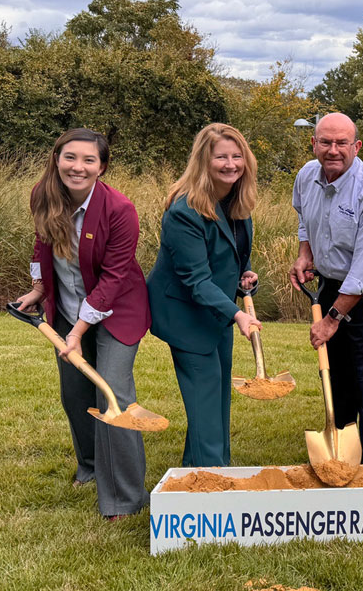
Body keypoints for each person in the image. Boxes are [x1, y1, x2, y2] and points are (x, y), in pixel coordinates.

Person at [14, 128, 149, 519]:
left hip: (117, 308)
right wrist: (39, 288)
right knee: (75, 393)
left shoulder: (119, 209)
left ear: (101, 167)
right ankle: (90, 466)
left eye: (89, 160)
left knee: (112, 393)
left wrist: (76, 331)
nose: (78, 167)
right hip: (67, 304)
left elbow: (114, 277)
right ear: (57, 158)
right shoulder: (43, 193)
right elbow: (43, 241)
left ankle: (125, 498)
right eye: (70, 157)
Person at [289, 113, 363, 465]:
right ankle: (340, 454)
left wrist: (332, 318)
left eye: (342, 143)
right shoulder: (307, 176)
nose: (333, 150)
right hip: (331, 283)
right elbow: (303, 217)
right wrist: (305, 252)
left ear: (356, 147)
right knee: (337, 377)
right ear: (314, 144)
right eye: (325, 142)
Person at [147, 123, 261, 468]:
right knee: (205, 396)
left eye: (237, 155)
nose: (230, 164)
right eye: (221, 157)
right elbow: (196, 279)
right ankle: (213, 485)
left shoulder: (236, 202)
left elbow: (233, 253)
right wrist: (238, 314)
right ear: (203, 161)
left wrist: (246, 272)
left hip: (216, 312)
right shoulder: (184, 211)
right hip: (184, 315)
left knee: (215, 399)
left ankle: (203, 471)